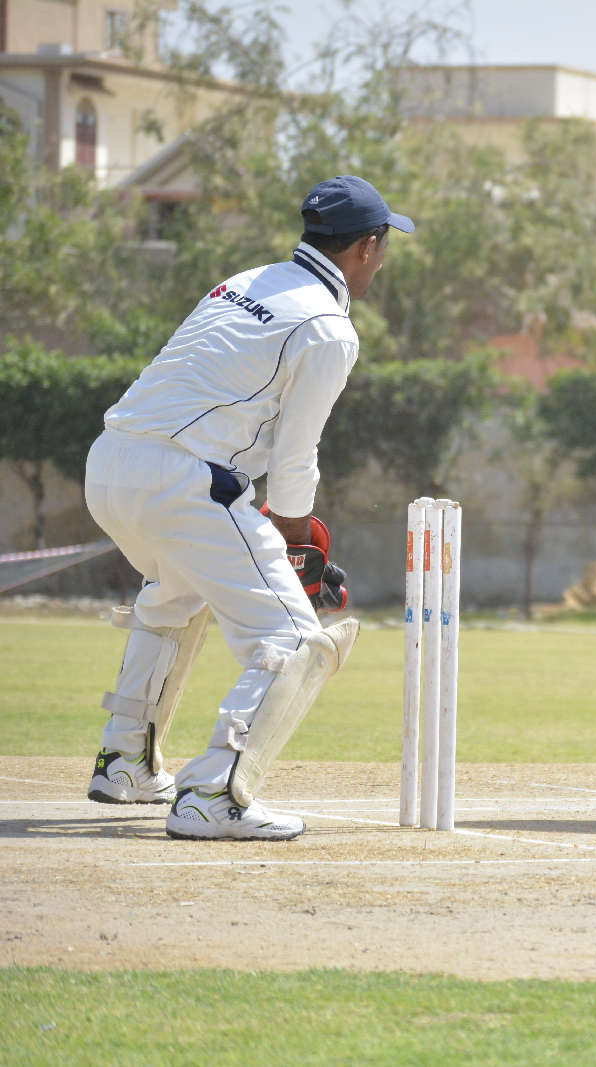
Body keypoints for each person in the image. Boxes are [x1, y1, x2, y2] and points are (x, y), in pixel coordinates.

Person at [83, 175, 413, 840]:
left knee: (174, 598)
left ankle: (125, 762)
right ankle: (213, 794)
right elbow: (296, 453)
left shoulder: (246, 281)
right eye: (383, 246)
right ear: (367, 247)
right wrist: (295, 542)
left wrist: (287, 539)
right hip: (183, 482)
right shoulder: (327, 328)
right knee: (294, 640)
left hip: (111, 462)